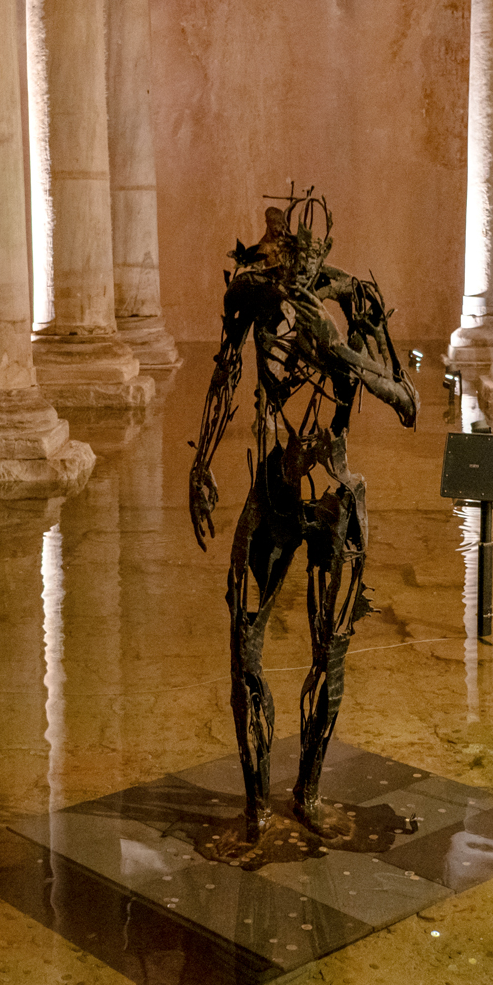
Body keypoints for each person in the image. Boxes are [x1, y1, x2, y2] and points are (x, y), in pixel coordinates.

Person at [188, 190, 418, 852]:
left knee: (330, 655)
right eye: (285, 257)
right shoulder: (251, 296)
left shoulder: (356, 301)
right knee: (246, 655)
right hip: (273, 493)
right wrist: (200, 466)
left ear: (324, 256)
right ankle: (258, 808)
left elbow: (408, 399)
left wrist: (336, 351)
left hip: (336, 500)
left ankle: (309, 794)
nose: (292, 267)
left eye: (305, 259)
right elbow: (226, 375)